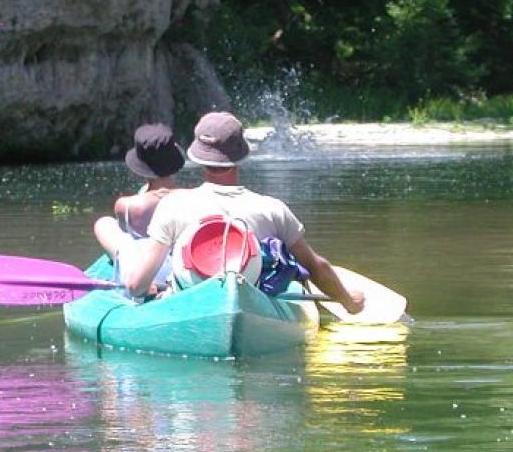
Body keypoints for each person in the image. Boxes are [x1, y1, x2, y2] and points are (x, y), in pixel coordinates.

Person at [123, 111, 365, 313]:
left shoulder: (173, 204)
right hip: (253, 308)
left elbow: (135, 285)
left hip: (190, 307)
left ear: (197, 155)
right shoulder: (273, 209)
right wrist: (348, 300)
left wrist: (148, 289)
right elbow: (316, 267)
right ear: (240, 155)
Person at [93, 122, 185, 286]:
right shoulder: (191, 198)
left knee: (104, 223)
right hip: (179, 270)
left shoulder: (127, 206)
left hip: (143, 271)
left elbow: (125, 232)